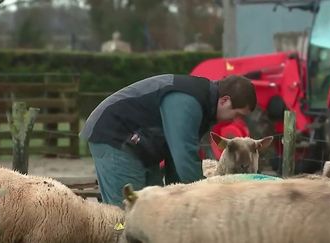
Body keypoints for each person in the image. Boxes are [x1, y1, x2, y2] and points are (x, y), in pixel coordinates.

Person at [80, 74, 257, 207]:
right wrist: (205, 196)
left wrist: (180, 198)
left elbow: (176, 160)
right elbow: (184, 156)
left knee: (154, 209)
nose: (235, 121)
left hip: (141, 145)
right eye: (238, 114)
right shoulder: (188, 100)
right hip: (116, 136)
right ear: (225, 100)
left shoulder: (203, 107)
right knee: (127, 212)